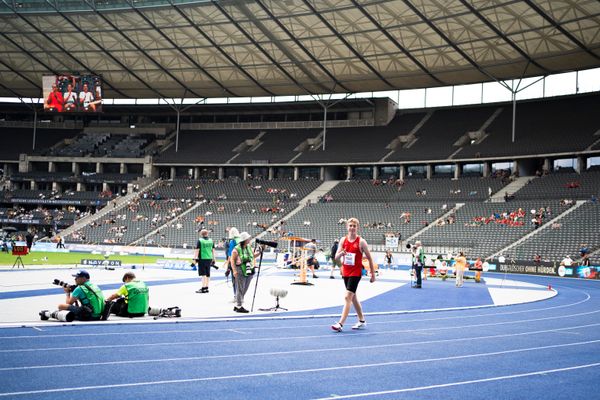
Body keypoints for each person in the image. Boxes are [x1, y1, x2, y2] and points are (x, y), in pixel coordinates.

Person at [331, 218, 376, 332]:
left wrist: (372, 274)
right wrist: (341, 253)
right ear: (347, 227)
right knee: (353, 297)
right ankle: (362, 321)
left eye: (354, 226)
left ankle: (340, 324)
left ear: (357, 227)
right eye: (350, 225)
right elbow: (336, 257)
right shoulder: (343, 240)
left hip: (356, 273)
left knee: (347, 297)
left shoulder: (361, 242)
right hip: (346, 272)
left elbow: (370, 258)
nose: (352, 228)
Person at [230, 232, 262, 313]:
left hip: (249, 269)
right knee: (240, 288)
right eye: (248, 238)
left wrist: (259, 253)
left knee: (245, 288)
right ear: (244, 240)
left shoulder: (248, 247)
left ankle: (238, 305)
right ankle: (239, 305)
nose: (249, 239)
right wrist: (234, 271)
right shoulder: (236, 249)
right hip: (240, 269)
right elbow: (232, 261)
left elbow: (252, 256)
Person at [194, 229, 215, 293]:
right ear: (207, 234)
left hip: (202, 259)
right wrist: (214, 258)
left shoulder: (200, 240)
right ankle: (206, 287)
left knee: (203, 274)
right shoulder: (211, 240)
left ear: (201, 234)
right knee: (208, 274)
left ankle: (203, 288)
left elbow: (197, 250)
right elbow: (213, 250)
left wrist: (195, 258)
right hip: (209, 258)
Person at [225, 227, 240, 299]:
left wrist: (228, 266)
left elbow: (230, 255)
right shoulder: (241, 240)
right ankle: (240, 296)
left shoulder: (232, 241)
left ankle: (236, 296)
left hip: (235, 263)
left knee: (234, 280)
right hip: (242, 263)